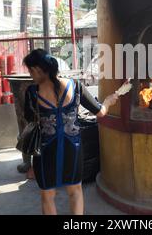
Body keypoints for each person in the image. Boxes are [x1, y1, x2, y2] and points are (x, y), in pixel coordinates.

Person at [23, 49, 118, 215]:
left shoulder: (32, 93)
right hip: (72, 149)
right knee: (75, 192)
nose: (30, 74)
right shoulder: (75, 86)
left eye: (31, 70)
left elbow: (30, 118)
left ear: (39, 70)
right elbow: (101, 112)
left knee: (47, 195)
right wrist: (109, 101)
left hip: (45, 151)